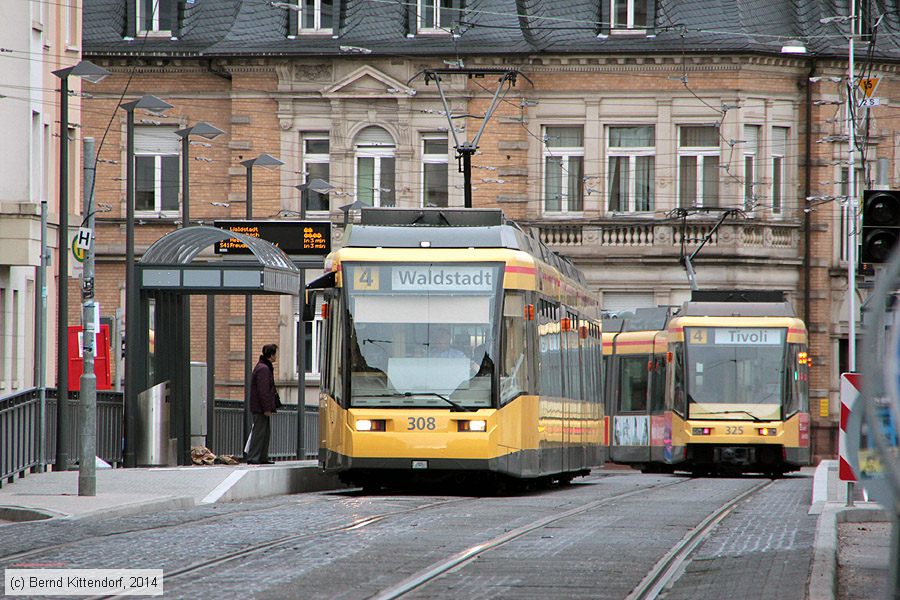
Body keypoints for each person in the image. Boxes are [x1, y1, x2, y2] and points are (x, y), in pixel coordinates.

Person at [246, 343, 279, 465]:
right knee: (259, 433)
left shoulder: (263, 367)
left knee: (265, 433)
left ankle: (262, 457)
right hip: (261, 408)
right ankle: (254, 457)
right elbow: (263, 391)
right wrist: (266, 408)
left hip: (261, 407)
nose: (276, 357)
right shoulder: (264, 369)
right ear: (271, 355)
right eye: (275, 354)